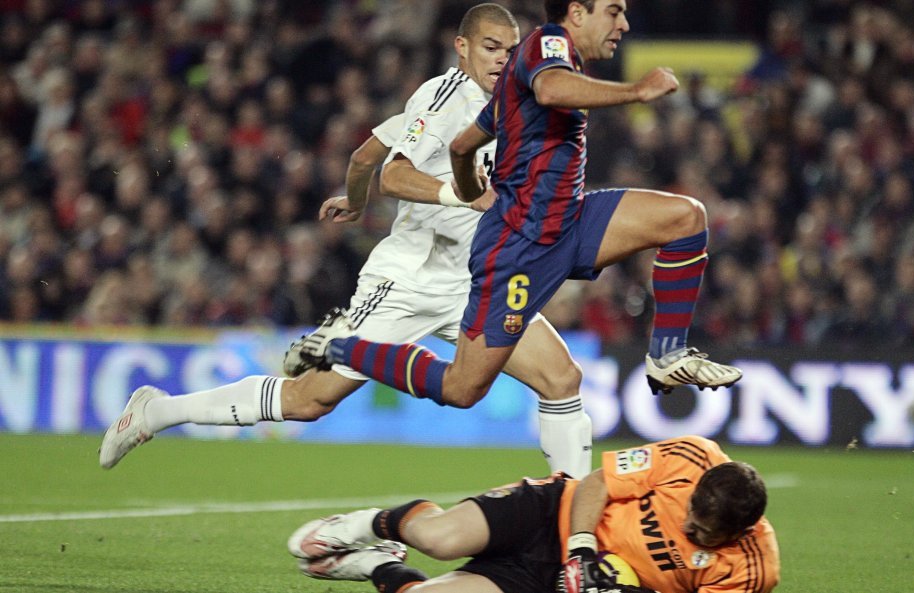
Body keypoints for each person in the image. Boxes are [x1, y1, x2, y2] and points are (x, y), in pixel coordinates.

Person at [99, 3, 594, 478]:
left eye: (511, 50)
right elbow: (395, 176)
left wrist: (355, 201)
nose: (503, 61)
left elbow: (364, 157)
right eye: (491, 48)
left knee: (561, 378)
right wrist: (462, 197)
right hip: (410, 278)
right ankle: (157, 412)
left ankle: (573, 531)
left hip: (476, 281)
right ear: (461, 47)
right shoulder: (442, 97)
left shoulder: (509, 102)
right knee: (309, 400)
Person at [291, 0, 742, 412]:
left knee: (686, 218)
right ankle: (342, 348)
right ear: (577, 13)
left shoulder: (520, 80)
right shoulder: (546, 45)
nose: (624, 23)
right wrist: (636, 91)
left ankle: (667, 353)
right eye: (614, 11)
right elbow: (550, 89)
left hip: (569, 221)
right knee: (462, 389)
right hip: (518, 244)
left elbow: (464, 143)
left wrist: (469, 186)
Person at [285, 435, 780, 593]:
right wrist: (583, 548)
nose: (688, 528)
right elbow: (599, 482)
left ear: (742, 532)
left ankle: (379, 563)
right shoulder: (692, 457)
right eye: (690, 515)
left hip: (563, 585)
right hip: (553, 512)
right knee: (439, 539)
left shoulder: (751, 572)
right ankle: (366, 524)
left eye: (703, 534)